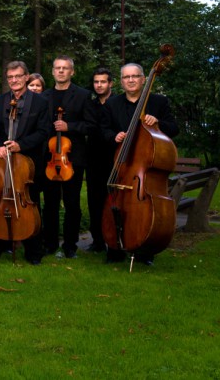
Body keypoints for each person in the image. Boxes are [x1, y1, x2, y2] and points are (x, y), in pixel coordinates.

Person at [100, 62, 179, 264]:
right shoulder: (112, 104)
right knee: (117, 205)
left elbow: (174, 128)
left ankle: (144, 251)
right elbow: (104, 130)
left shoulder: (158, 102)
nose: (131, 80)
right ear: (121, 82)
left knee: (143, 209)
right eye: (126, 77)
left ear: (143, 79)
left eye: (135, 76)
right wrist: (114, 136)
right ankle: (115, 250)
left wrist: (158, 123)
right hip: (122, 167)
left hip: (144, 171)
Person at [0, 61, 50, 264]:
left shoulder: (40, 102)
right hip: (3, 161)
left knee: (31, 204)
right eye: (10, 77)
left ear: (26, 77)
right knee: (1, 199)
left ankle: (33, 252)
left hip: (29, 163)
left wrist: (20, 145)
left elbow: (43, 131)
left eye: (18, 76)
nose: (14, 80)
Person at [41, 56, 96, 259]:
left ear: (72, 72)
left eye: (65, 68)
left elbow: (91, 125)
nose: (61, 71)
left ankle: (70, 246)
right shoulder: (44, 96)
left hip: (72, 158)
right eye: (58, 68)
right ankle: (50, 244)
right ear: (53, 71)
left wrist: (69, 127)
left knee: (72, 204)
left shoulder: (83, 95)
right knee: (50, 204)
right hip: (50, 158)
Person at [85, 67, 115, 252]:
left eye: (103, 81)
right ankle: (97, 241)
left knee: (112, 200)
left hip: (114, 157)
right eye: (96, 82)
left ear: (110, 83)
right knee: (94, 200)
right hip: (93, 158)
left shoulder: (118, 103)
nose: (99, 85)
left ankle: (114, 238)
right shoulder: (90, 104)